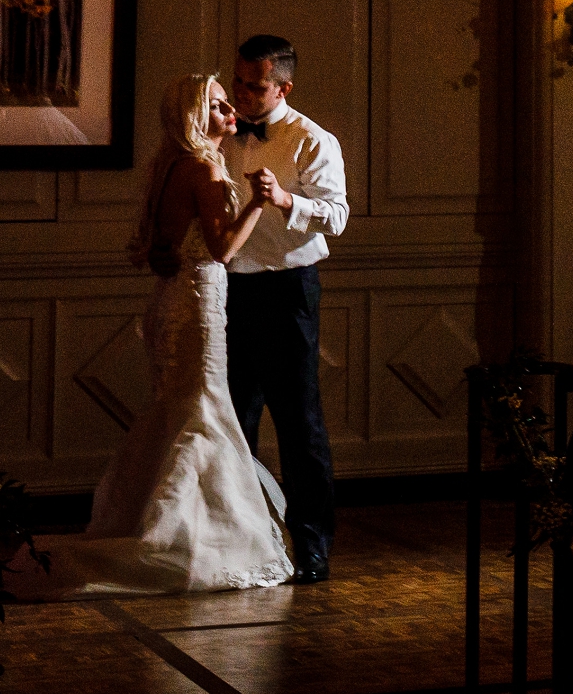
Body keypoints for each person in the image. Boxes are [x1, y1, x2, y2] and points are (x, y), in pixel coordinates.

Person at [24, 73, 295, 595]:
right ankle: (177, 540)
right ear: (194, 116)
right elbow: (222, 250)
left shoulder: (168, 166)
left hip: (170, 300)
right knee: (200, 410)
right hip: (198, 303)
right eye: (217, 107)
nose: (230, 113)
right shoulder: (202, 168)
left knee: (178, 410)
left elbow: (164, 245)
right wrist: (258, 202)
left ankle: (173, 527)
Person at [221, 32, 349, 583]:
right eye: (240, 83)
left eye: (256, 87)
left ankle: (313, 544)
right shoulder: (223, 131)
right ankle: (244, 539)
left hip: (287, 288)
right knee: (231, 420)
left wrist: (285, 200)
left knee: (299, 423)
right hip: (227, 289)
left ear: (283, 87)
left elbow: (337, 216)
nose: (244, 96)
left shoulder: (313, 141)